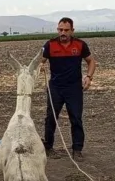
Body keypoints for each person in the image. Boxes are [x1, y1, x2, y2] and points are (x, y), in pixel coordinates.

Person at [40, 17, 96, 159]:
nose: (63, 32)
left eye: (66, 30)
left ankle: (77, 150)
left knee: (76, 118)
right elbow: (40, 61)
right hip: (56, 88)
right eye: (60, 30)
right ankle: (48, 147)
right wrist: (40, 66)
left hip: (74, 88)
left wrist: (89, 77)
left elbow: (91, 61)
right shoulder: (50, 45)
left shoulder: (80, 45)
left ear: (72, 30)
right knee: (51, 118)